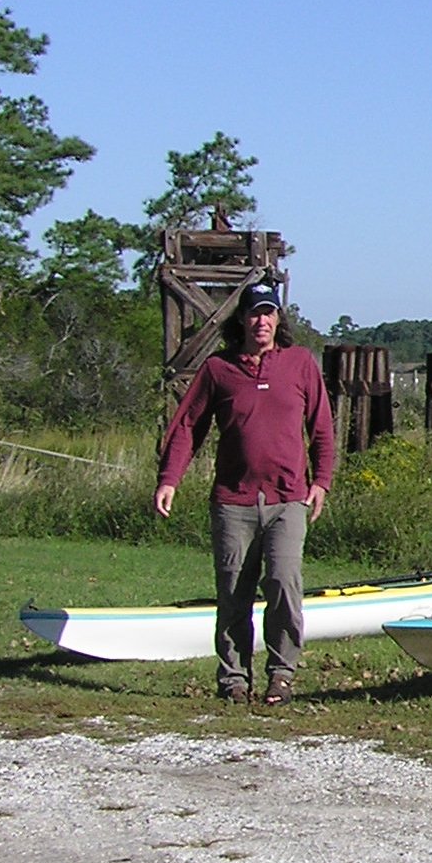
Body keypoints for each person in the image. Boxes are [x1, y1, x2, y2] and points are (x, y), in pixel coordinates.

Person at [154, 282, 335, 705]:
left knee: (283, 584)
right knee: (234, 591)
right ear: (243, 319)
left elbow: (322, 428)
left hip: (288, 498)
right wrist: (169, 479)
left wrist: (321, 480)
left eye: (269, 313)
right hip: (233, 502)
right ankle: (234, 678)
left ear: (279, 320)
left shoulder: (300, 364)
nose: (262, 321)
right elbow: (187, 427)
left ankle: (282, 675)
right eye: (255, 313)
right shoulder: (219, 369)